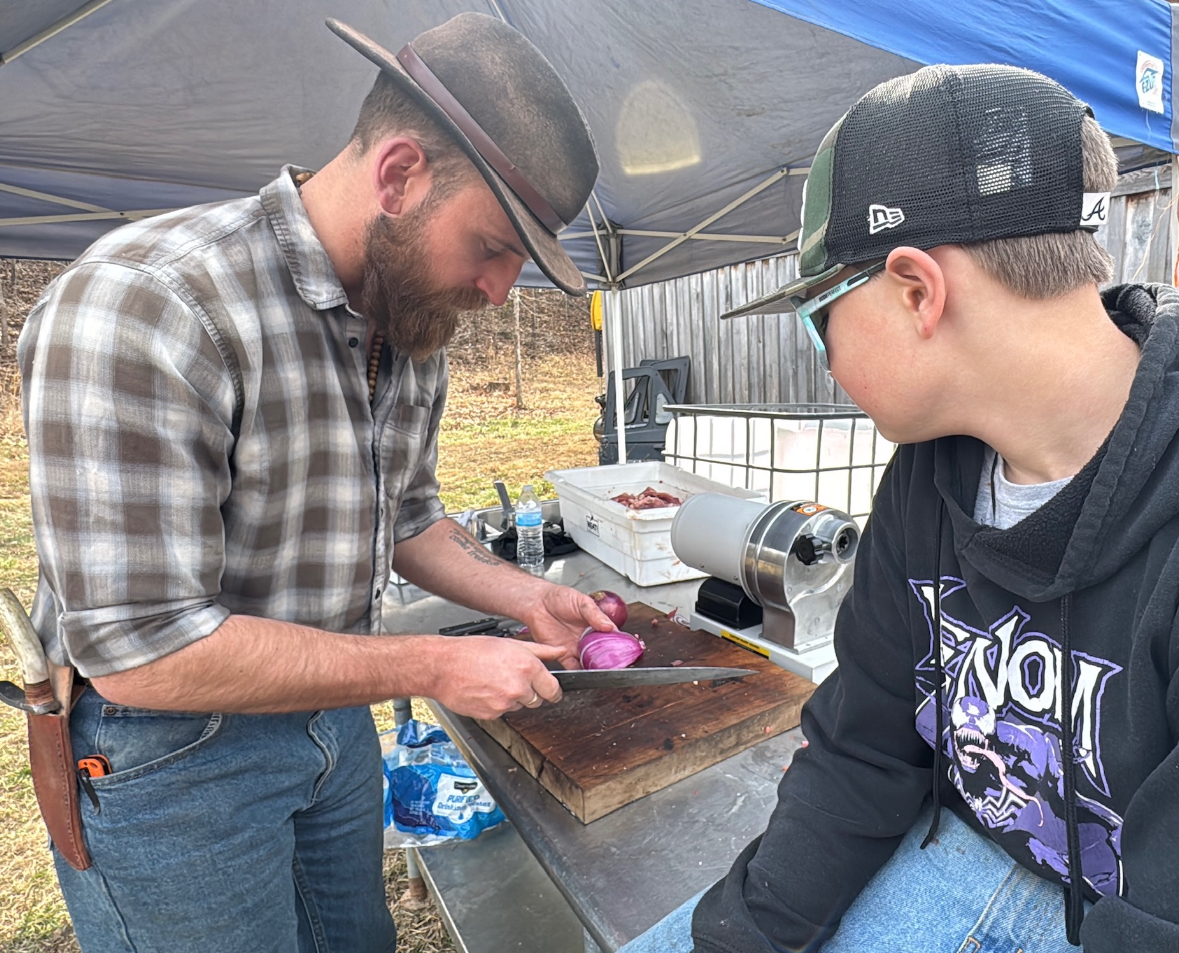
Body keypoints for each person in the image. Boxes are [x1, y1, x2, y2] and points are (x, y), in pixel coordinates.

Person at [18, 13, 610, 953]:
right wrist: (432, 665)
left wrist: (526, 596)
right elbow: (142, 650)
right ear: (398, 175)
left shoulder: (409, 323)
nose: (501, 291)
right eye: (493, 246)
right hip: (166, 752)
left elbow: (408, 517)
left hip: (334, 715)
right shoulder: (151, 300)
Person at [619, 64, 1179, 953]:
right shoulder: (930, 471)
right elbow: (862, 745)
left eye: (818, 316)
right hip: (957, 851)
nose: (824, 357)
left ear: (917, 290)